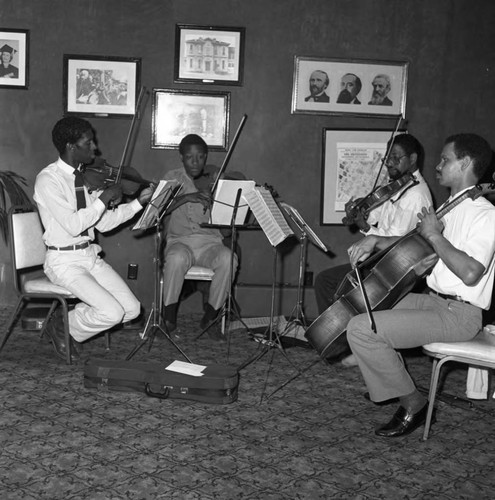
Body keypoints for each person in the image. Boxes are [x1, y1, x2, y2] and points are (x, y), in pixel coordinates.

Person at [346, 133, 495, 437]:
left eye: (445, 159)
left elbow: (470, 273)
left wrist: (435, 237)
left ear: (465, 163)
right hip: (436, 300)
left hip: (460, 315)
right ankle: (392, 379)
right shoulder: (452, 206)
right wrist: (374, 239)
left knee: (362, 328)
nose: (438, 166)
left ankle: (414, 403)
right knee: (364, 302)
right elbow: (412, 242)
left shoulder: (486, 215)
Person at [33, 117, 154, 361]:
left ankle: (64, 323)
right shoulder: (49, 180)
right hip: (63, 261)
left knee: (131, 310)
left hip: (89, 255)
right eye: (88, 143)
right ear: (71, 146)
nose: (94, 149)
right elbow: (73, 224)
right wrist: (103, 198)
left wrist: (138, 204)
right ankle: (63, 327)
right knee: (110, 313)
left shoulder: (86, 179)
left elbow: (105, 223)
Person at [314, 133, 433, 365]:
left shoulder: (416, 195)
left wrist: (369, 234)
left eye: (396, 158)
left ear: (413, 158)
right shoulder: (398, 187)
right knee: (330, 282)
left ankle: (349, 346)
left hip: (394, 269)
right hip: (382, 261)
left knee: (328, 282)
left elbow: (395, 243)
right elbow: (376, 226)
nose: (389, 163)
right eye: (387, 158)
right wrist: (361, 220)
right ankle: (349, 343)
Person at [161, 134, 242, 340]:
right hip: (179, 241)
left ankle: (211, 316)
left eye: (200, 157)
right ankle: (168, 318)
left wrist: (222, 204)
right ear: (181, 157)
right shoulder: (172, 177)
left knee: (228, 259)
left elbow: (225, 232)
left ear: (206, 157)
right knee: (176, 258)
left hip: (210, 243)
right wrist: (188, 196)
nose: (195, 162)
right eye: (189, 157)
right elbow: (160, 209)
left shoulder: (217, 181)